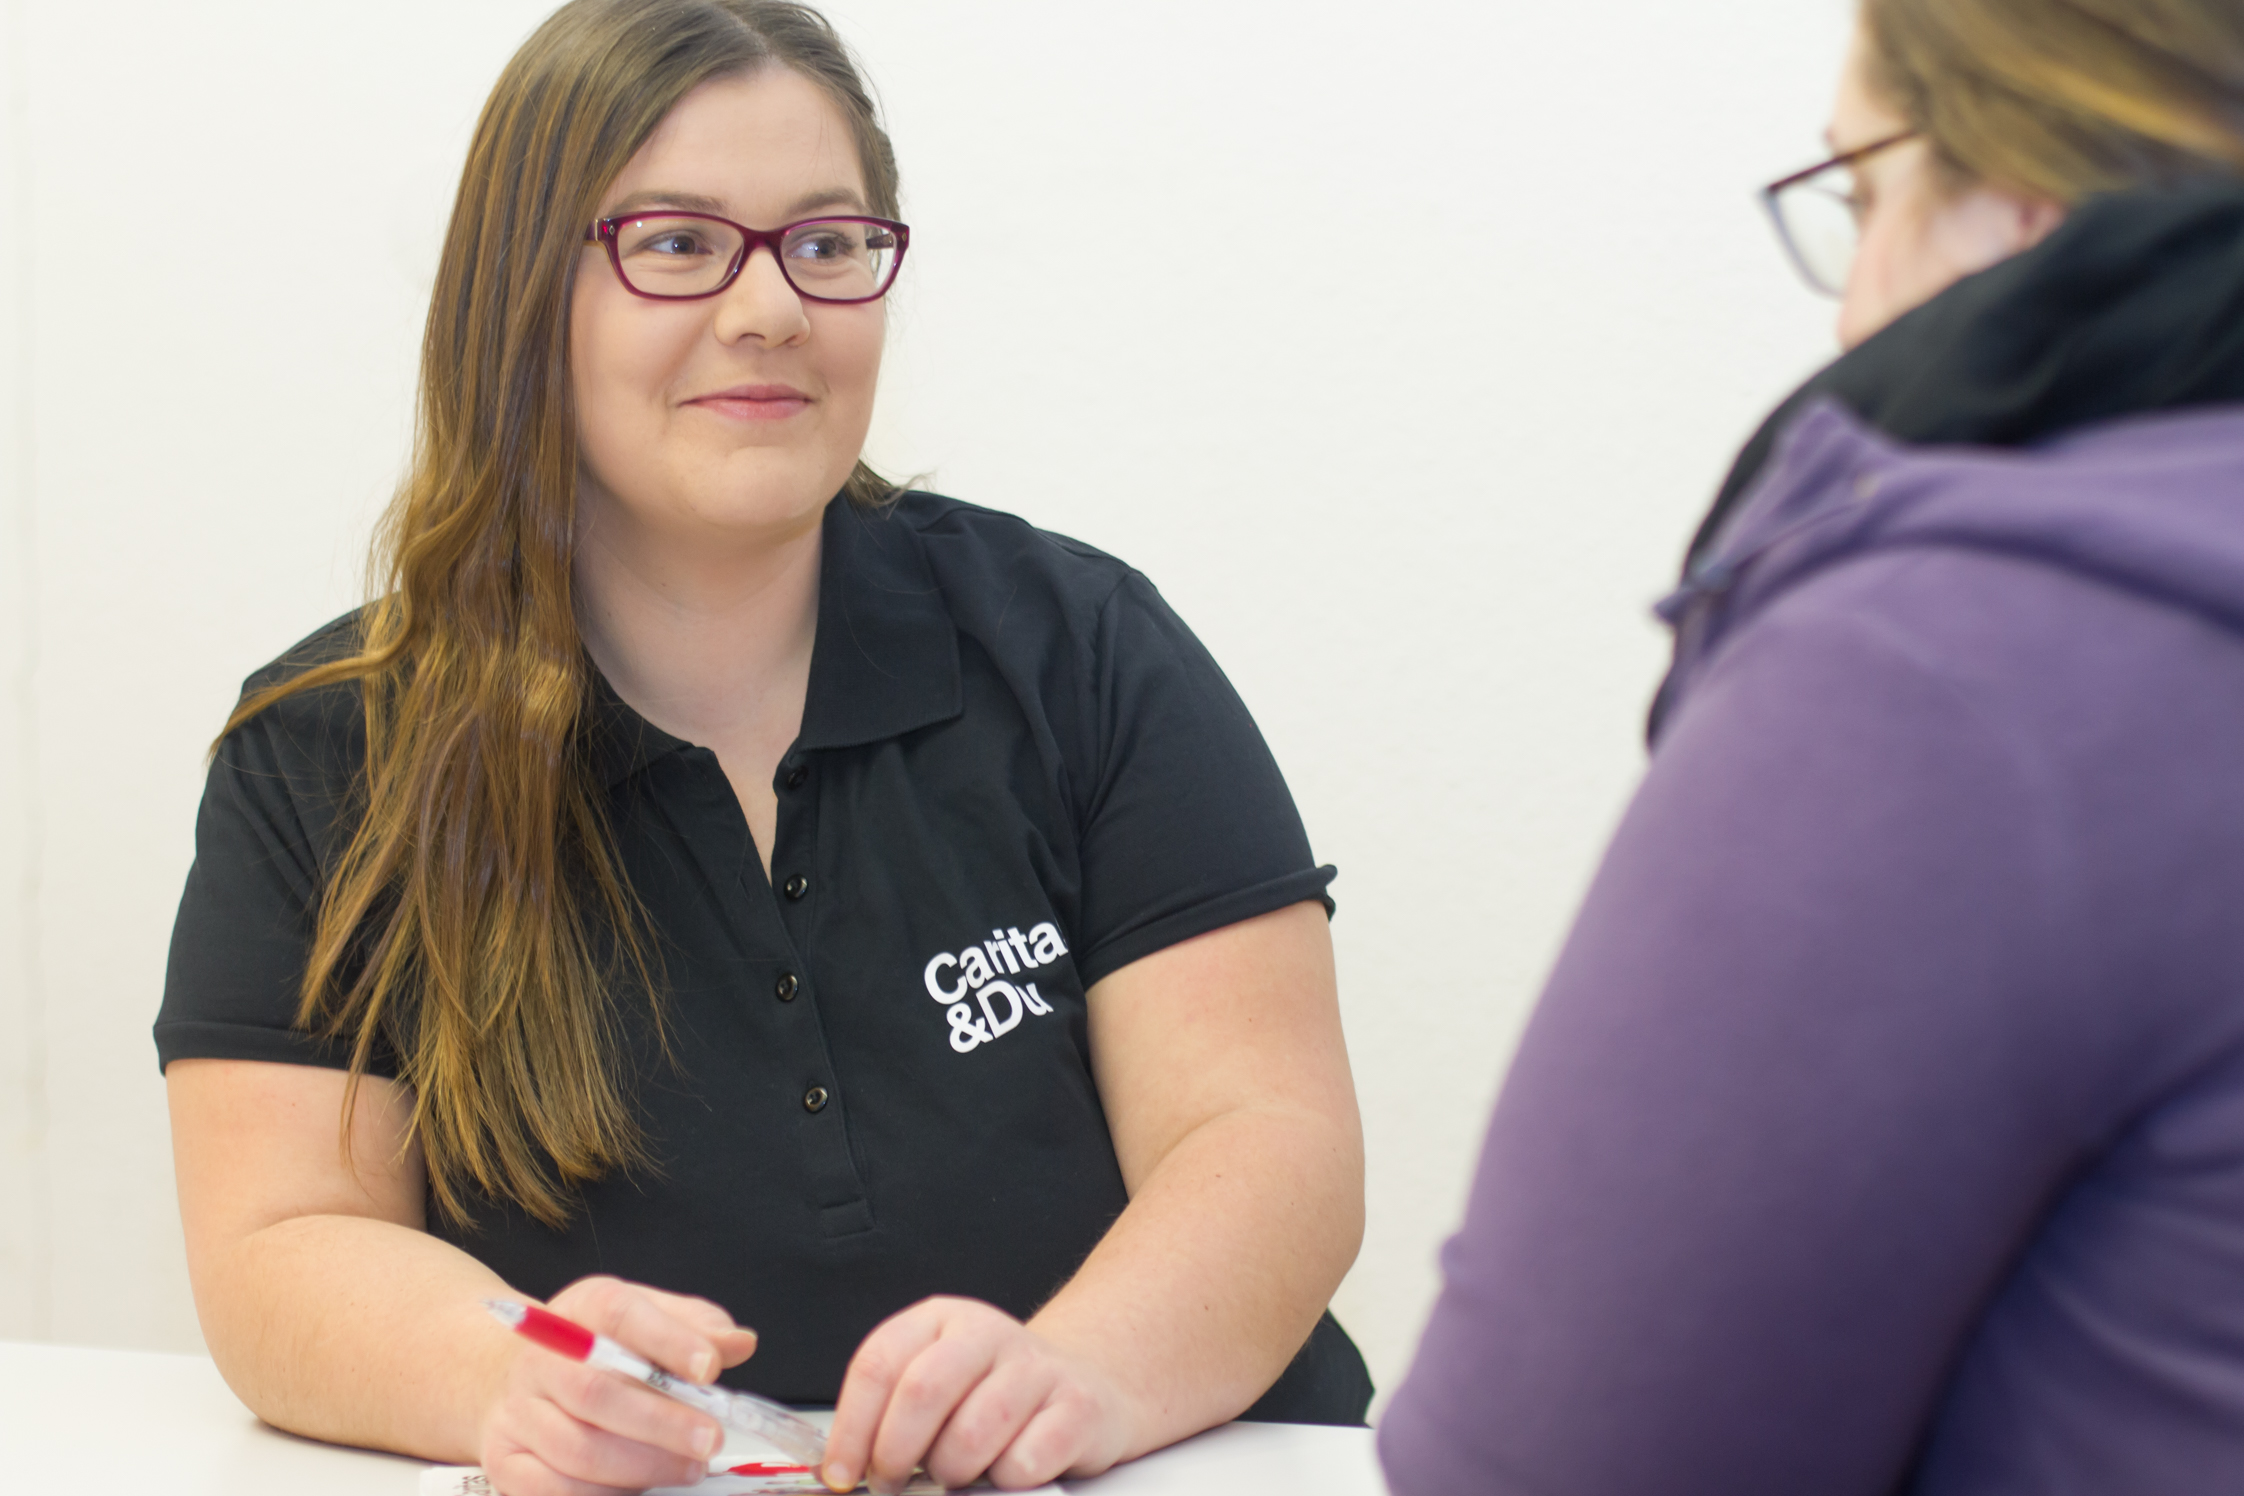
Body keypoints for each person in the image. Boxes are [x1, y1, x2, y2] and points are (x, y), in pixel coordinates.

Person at [154, 4, 1370, 1493]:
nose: (770, 308)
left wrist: (1081, 1379)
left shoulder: (1084, 649)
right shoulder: (322, 759)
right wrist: (514, 1374)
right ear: (524, 296)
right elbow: (281, 1245)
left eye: (828, 242)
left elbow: (1268, 1138)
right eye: (675, 243)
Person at [1379, 1, 2244, 1492]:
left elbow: (1538, 1466)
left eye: (1861, 195)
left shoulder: (1960, 664)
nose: (1849, 319)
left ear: (2020, 197)